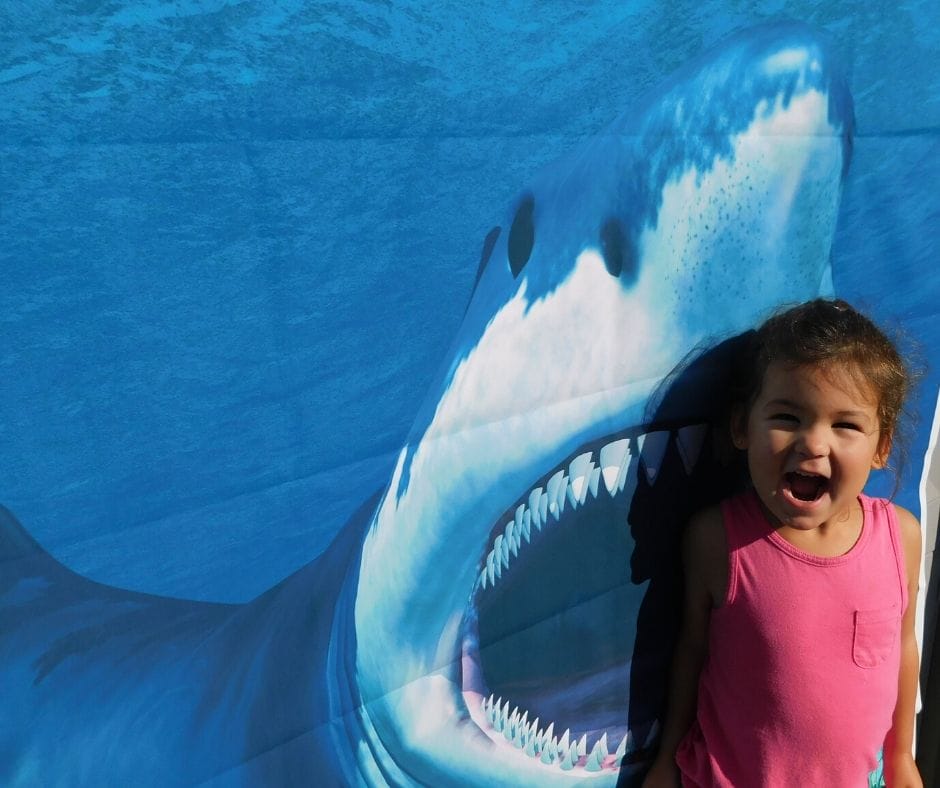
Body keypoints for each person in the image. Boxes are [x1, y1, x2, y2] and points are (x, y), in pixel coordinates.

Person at [642, 299, 923, 787]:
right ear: (741, 427)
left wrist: (901, 758)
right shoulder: (718, 540)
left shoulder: (901, 537)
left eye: (845, 425)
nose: (813, 443)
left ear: (881, 447)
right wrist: (667, 757)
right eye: (788, 418)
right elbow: (692, 651)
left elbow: (902, 648)